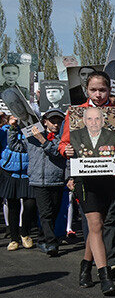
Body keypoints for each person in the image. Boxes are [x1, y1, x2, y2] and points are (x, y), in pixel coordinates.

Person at [60, 71, 115, 294]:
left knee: (98, 226)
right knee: (95, 225)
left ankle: (85, 266)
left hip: (110, 177)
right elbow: (64, 143)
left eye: (103, 90)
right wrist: (66, 150)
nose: (98, 94)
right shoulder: (75, 113)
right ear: (86, 90)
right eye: (93, 90)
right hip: (84, 177)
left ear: (109, 90)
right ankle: (105, 276)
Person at [27, 108, 68, 256]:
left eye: (59, 121)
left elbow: (58, 152)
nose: (56, 124)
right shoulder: (33, 136)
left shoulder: (62, 139)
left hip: (56, 179)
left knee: (53, 213)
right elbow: (16, 146)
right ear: (45, 122)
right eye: (53, 121)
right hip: (38, 180)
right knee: (45, 213)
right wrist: (13, 128)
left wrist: (43, 141)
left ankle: (42, 238)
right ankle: (52, 243)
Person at [1, 117, 35, 250]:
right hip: (10, 171)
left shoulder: (31, 129)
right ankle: (14, 238)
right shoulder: (5, 130)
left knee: (30, 204)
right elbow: (9, 144)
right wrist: (12, 128)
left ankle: (25, 233)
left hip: (28, 172)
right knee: (13, 205)